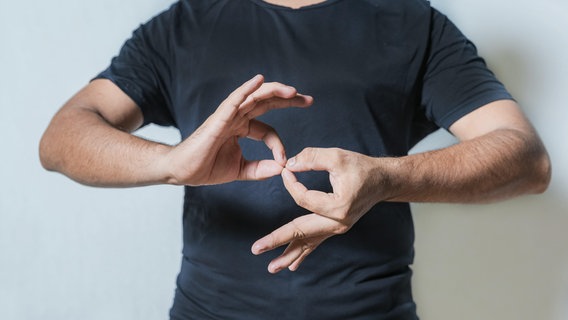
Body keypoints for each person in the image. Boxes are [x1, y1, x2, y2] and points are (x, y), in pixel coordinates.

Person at [39, 0, 551, 318]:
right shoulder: (183, 25)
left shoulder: (412, 23)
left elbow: (528, 159)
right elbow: (61, 138)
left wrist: (385, 177)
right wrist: (173, 162)